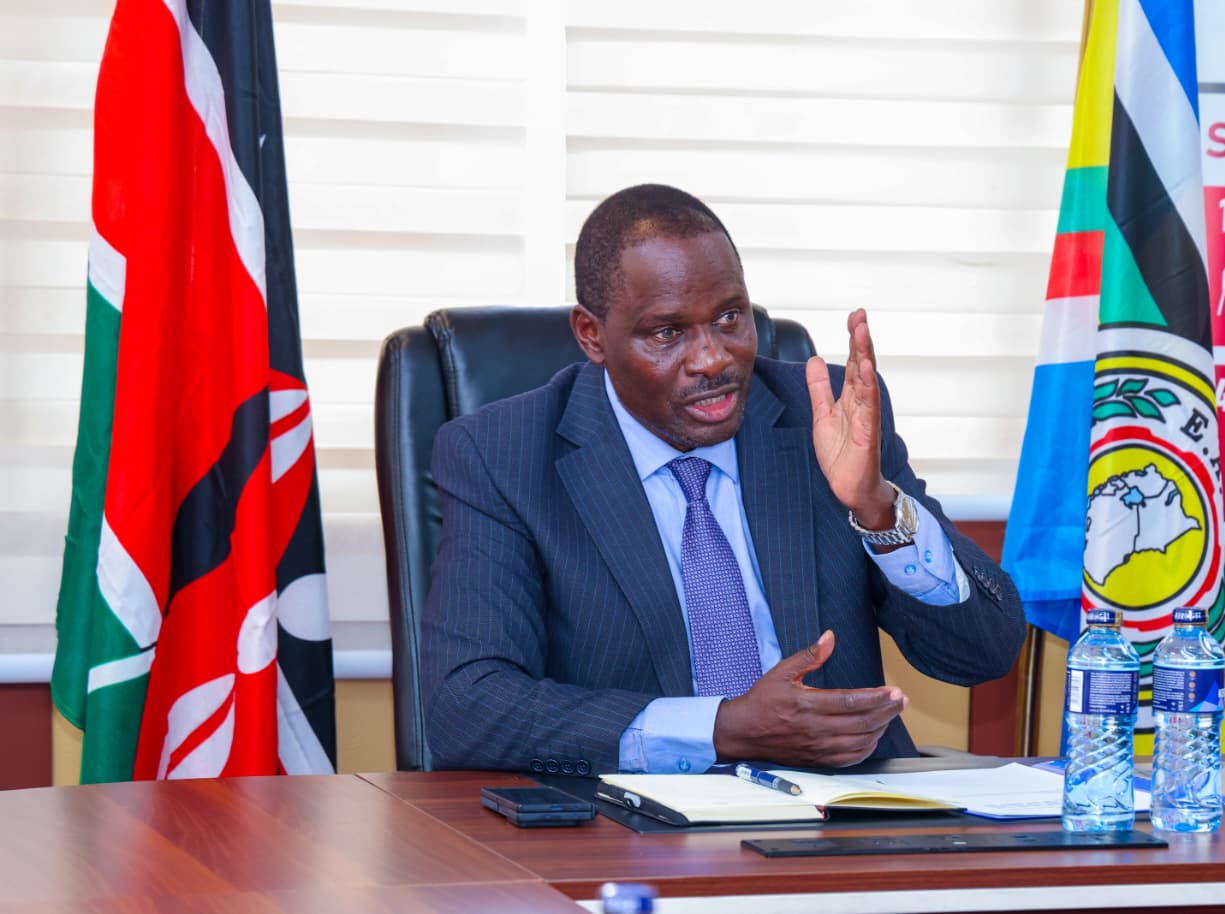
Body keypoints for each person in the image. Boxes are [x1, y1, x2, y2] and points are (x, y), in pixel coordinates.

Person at [423, 184, 1025, 775]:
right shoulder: (502, 455)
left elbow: (984, 651)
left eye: (729, 317)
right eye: (667, 332)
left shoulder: (825, 420)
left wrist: (878, 510)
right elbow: (466, 708)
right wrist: (722, 728)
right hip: (636, 819)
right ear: (591, 335)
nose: (712, 359)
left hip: (843, 809)